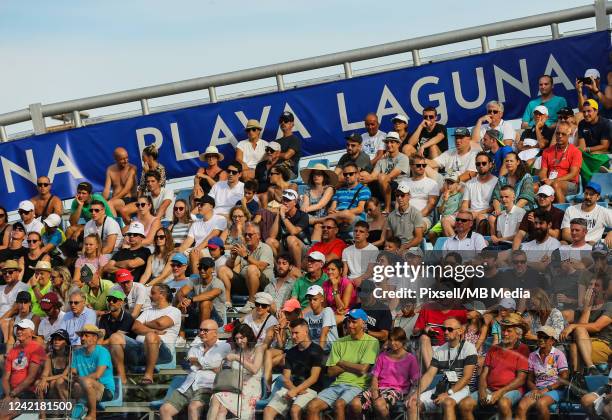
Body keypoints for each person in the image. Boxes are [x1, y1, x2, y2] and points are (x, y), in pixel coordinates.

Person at [306, 308, 379, 420]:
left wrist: (340, 362)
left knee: (339, 404)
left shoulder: (372, 342)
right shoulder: (339, 342)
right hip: (338, 384)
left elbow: (363, 369)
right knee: (312, 406)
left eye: (354, 322)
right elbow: (330, 372)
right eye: (349, 321)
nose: (350, 325)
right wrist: (355, 364)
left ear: (363, 323)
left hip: (358, 386)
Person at [458, 316, 529, 420]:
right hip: (490, 389)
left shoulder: (523, 349)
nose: (505, 333)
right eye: (503, 330)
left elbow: (521, 379)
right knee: (464, 404)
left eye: (509, 331)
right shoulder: (494, 349)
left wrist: (500, 392)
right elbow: (483, 374)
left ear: (518, 334)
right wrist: (482, 391)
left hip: (512, 390)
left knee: (503, 404)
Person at [109, 284, 180, 385]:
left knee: (150, 337)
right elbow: (135, 327)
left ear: (162, 294)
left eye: (153, 293)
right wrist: (154, 331)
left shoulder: (174, 311)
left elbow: (161, 323)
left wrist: (145, 324)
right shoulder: (148, 311)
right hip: (140, 350)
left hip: (163, 353)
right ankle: (122, 378)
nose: (150, 296)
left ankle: (148, 375)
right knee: (115, 337)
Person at [407, 317, 477, 420]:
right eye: (444, 329)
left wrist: (448, 393)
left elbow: (466, 377)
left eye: (450, 329)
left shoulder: (469, 348)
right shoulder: (440, 350)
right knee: (413, 403)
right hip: (442, 387)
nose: (446, 332)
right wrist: (416, 393)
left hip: (461, 389)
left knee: (447, 402)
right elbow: (429, 375)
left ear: (460, 331)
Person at [160, 319, 231, 420]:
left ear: (215, 332)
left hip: (207, 386)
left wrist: (200, 362)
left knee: (193, 407)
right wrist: (210, 365)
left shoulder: (224, 346)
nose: (201, 333)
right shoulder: (195, 347)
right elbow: (193, 365)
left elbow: (212, 364)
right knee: (164, 410)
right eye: (200, 330)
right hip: (187, 385)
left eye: (205, 330)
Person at [349, 327, 420, 419]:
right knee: (355, 403)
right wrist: (374, 391)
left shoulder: (410, 358)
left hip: (397, 390)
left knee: (379, 404)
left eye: (396, 340)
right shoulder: (382, 356)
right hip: (378, 388)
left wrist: (411, 395)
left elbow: (416, 380)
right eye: (391, 340)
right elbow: (375, 376)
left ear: (403, 341)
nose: (393, 343)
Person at [263, 318, 324, 420]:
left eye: (296, 333)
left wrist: (296, 391)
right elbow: (286, 378)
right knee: (268, 411)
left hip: (310, 389)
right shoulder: (290, 352)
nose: (293, 336)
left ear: (306, 332)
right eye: (292, 333)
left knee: (295, 410)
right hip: (291, 388)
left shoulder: (316, 350)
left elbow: (314, 378)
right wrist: (293, 390)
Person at [206, 324, 265, 420]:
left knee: (219, 400)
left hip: (251, 386)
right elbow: (225, 370)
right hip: (234, 384)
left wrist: (237, 358)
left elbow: (254, 369)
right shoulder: (235, 350)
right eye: (236, 339)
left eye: (242, 338)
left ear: (248, 337)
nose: (239, 341)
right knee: (218, 403)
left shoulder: (258, 349)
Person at [560, 274, 611, 375]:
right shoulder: (585, 309)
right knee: (574, 346)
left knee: (578, 332)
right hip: (585, 343)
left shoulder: (609, 305)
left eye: (596, 285)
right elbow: (579, 324)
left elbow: (597, 327)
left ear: (604, 290)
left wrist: (573, 325)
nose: (592, 288)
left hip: (604, 344)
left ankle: (588, 370)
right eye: (590, 285)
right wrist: (587, 306)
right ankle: (578, 378)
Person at [515, 326, 569, 420]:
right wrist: (535, 389)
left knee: (541, 404)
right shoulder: (532, 355)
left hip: (555, 389)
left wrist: (547, 389)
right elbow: (530, 379)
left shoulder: (558, 354)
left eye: (545, 337)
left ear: (552, 340)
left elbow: (564, 378)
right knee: (521, 406)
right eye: (539, 336)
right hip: (537, 388)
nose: (541, 339)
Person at [219, 222, 274, 313]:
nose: (247, 237)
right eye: (245, 235)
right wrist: (233, 257)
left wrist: (245, 256)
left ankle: (251, 303)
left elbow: (261, 266)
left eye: (250, 235)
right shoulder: (244, 248)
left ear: (258, 236)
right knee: (222, 270)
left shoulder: (265, 248)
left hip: (263, 284)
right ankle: (227, 303)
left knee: (251, 268)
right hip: (245, 282)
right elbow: (229, 266)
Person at [71, 324, 115, 420]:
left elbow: (97, 375)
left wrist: (80, 379)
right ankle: (71, 413)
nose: (82, 338)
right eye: (82, 335)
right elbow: (73, 373)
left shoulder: (103, 352)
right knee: (65, 384)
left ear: (95, 338)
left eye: (86, 335)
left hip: (105, 390)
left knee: (86, 382)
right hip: (83, 387)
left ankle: (92, 415)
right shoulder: (77, 353)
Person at [360, 132, 411, 213]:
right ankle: (363, 206)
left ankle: (388, 208)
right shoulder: (381, 160)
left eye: (392, 142)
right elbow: (373, 175)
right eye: (387, 142)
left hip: (399, 189)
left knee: (382, 177)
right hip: (382, 186)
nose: (389, 144)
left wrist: (373, 178)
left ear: (398, 144)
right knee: (363, 174)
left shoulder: (403, 158)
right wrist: (366, 177)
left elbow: (390, 176)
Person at [2, 319, 46, 402]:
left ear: (31, 333)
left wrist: (12, 394)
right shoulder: (12, 351)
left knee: (5, 411)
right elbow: (5, 378)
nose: (19, 331)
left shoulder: (37, 348)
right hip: (11, 391)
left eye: (22, 329)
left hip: (28, 391)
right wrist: (8, 395)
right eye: (18, 329)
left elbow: (31, 377)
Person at [539, 121, 582, 203]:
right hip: (549, 181)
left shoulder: (576, 152)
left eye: (563, 134)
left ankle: (561, 213)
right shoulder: (547, 151)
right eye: (558, 133)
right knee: (533, 187)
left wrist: (554, 180)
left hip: (569, 184)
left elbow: (573, 174)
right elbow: (543, 171)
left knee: (556, 185)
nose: (560, 136)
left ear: (569, 135)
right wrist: (544, 179)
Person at [177, 257, 226, 327]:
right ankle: (180, 334)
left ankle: (201, 332)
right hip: (197, 315)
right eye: (200, 268)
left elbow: (211, 295)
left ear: (212, 269)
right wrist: (183, 301)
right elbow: (180, 292)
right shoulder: (194, 280)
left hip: (215, 319)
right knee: (180, 303)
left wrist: (191, 300)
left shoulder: (218, 283)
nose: (202, 270)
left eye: (205, 268)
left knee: (205, 303)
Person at [512, 184, 564, 249]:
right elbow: (520, 235)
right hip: (531, 246)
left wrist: (537, 222)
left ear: (552, 198)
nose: (542, 198)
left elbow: (556, 236)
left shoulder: (559, 213)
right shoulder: (530, 213)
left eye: (545, 196)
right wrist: (515, 252)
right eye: (540, 196)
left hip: (549, 247)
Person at [561, 181, 612, 246]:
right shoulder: (571, 210)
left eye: (591, 194)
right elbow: (565, 234)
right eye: (586, 193)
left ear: (598, 197)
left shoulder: (602, 211)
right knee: (562, 243)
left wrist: (611, 233)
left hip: (594, 246)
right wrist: (583, 243)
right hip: (574, 243)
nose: (587, 197)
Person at [268, 189, 310, 266]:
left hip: (303, 249)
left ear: (295, 202)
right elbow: (272, 236)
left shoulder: (303, 215)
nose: (285, 202)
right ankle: (280, 267)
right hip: (286, 247)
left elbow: (294, 232)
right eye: (284, 200)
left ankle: (298, 270)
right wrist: (278, 214)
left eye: (288, 200)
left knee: (291, 239)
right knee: (269, 241)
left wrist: (283, 217)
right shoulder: (281, 214)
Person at [460, 152, 497, 229]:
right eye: (478, 164)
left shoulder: (497, 182)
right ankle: (457, 241)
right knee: (446, 220)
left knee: (480, 218)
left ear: (490, 165)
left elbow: (494, 207)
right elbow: (465, 204)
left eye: (484, 163)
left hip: (487, 213)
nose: (481, 166)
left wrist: (477, 214)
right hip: (471, 213)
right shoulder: (470, 183)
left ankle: (477, 241)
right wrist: (467, 213)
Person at [577, 99, 611, 178]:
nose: (586, 114)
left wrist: (588, 149)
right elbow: (582, 146)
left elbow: (605, 146)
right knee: (577, 154)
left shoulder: (605, 123)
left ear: (596, 111)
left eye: (589, 111)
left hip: (604, 154)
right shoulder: (581, 123)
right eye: (584, 112)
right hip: (589, 154)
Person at [384, 183, 424, 250]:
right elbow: (390, 238)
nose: (399, 198)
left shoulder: (416, 213)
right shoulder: (391, 216)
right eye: (397, 195)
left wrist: (405, 247)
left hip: (411, 248)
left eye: (402, 195)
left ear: (409, 196)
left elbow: (418, 238)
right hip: (396, 248)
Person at [405, 155, 439, 231]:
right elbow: (398, 203)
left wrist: (415, 218)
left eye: (424, 165)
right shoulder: (404, 182)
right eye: (418, 165)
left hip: (424, 217)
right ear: (411, 166)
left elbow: (431, 205)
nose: (421, 167)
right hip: (404, 216)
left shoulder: (432, 184)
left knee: (416, 227)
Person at [35, 329, 70, 402]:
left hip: (68, 384)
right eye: (55, 339)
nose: (56, 342)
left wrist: (46, 379)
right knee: (38, 383)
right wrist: (43, 379)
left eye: (60, 339)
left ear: (66, 342)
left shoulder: (70, 356)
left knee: (56, 382)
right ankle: (42, 413)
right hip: (53, 382)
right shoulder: (49, 356)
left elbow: (64, 375)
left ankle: (67, 409)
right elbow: (45, 373)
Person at [102, 147, 138, 216]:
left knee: (109, 204)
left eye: (127, 157)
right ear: (116, 159)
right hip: (116, 200)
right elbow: (106, 190)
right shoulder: (110, 169)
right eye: (122, 159)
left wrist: (111, 201)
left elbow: (126, 189)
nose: (126, 160)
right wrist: (102, 202)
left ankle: (115, 225)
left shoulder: (132, 168)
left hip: (129, 199)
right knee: (98, 206)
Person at [300, 163, 337, 229]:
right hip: (309, 217)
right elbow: (305, 204)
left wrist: (305, 210)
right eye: (314, 174)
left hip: (323, 218)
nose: (316, 176)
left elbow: (321, 205)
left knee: (316, 225)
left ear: (324, 176)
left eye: (319, 174)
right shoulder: (308, 191)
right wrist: (303, 210)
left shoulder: (329, 188)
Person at [322, 260, 356, 324]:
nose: (329, 272)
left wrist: (335, 288)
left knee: (329, 320)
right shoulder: (325, 284)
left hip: (346, 313)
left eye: (333, 269)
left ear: (340, 270)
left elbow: (342, 308)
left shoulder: (347, 284)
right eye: (328, 269)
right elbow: (325, 306)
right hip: (332, 312)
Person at [276, 111, 302, 175]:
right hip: (276, 171)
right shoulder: (276, 142)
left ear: (292, 124)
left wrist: (274, 154)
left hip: (289, 172)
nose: (283, 123)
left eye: (286, 121)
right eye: (281, 121)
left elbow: (286, 156)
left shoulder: (295, 140)